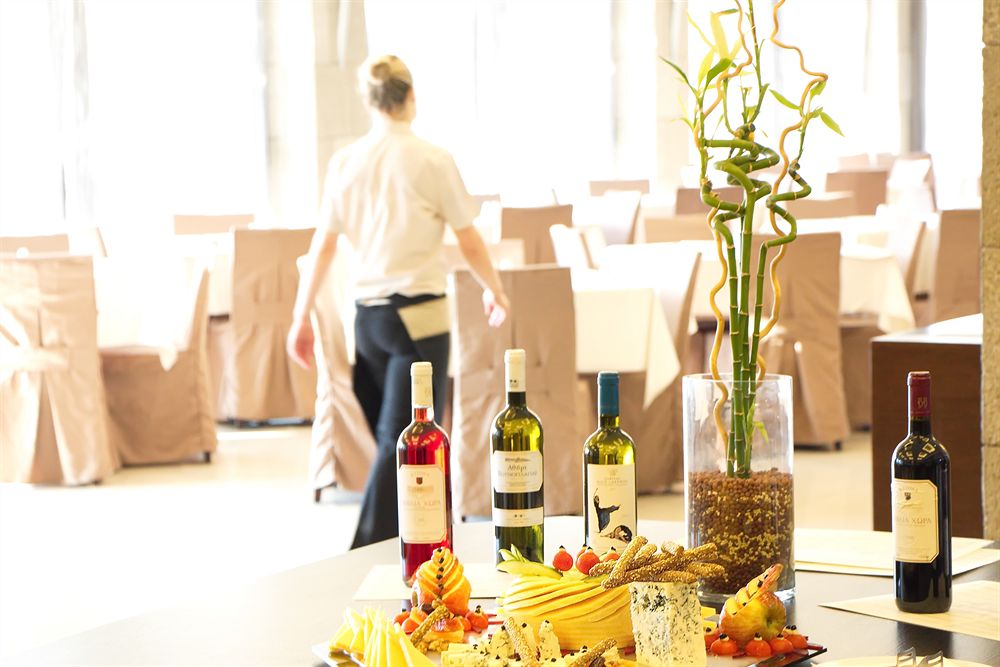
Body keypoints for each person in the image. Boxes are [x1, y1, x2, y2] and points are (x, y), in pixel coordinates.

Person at [287, 54, 509, 549]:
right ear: (410, 97)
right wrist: (494, 288)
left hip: (368, 324)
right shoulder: (432, 159)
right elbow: (469, 239)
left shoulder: (345, 163)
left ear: (369, 102)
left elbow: (323, 246)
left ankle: (412, 545)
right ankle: (366, 552)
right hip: (419, 320)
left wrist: (300, 317)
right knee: (401, 443)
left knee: (397, 446)